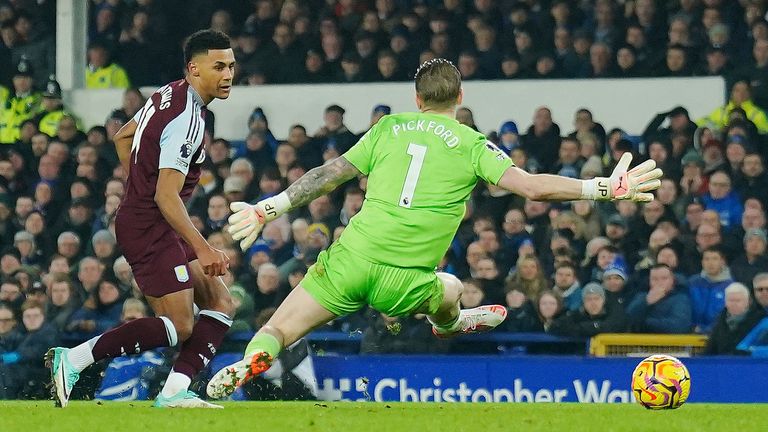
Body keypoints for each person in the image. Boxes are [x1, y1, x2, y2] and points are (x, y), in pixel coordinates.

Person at [206, 58, 663, 399]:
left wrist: (270, 207)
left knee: (281, 329)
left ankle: (253, 361)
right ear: (459, 98)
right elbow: (533, 189)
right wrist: (601, 187)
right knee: (449, 286)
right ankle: (453, 321)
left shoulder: (388, 127)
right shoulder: (471, 144)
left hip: (349, 260)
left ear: (417, 99)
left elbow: (331, 173)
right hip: (404, 281)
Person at [46, 30, 236, 409]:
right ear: (194, 69)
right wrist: (204, 246)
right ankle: (74, 359)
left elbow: (122, 136)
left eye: (231, 65)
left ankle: (173, 393)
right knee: (180, 325)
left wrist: (138, 186)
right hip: (152, 224)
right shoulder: (188, 118)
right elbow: (167, 196)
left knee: (220, 302)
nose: (228, 73)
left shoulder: (169, 93)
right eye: (219, 66)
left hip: (152, 219)